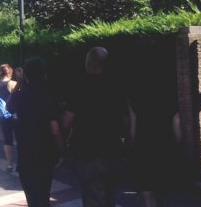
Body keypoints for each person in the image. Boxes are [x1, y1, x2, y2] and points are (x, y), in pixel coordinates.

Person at [62, 47, 129, 207]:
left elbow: (67, 121)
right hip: (113, 151)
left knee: (93, 199)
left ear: (89, 63)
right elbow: (126, 121)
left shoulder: (79, 87)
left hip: (87, 153)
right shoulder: (117, 87)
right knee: (110, 197)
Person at [7, 57, 64, 207]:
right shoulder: (50, 95)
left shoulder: (20, 95)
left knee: (31, 195)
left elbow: (8, 107)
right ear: (44, 74)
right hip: (46, 151)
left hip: (26, 151)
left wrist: (19, 83)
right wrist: (61, 150)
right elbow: (55, 127)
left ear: (25, 74)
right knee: (44, 192)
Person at [128, 77, 183, 207]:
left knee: (147, 192)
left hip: (143, 149)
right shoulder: (170, 100)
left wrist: (131, 150)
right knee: (159, 191)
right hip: (163, 148)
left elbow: (132, 131)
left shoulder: (134, 101)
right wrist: (177, 145)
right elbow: (177, 124)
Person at [0, 63, 18, 171]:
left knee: (7, 139)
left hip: (3, 115)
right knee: (19, 138)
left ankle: (9, 164)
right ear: (10, 73)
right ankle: (22, 162)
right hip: (15, 114)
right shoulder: (13, 83)